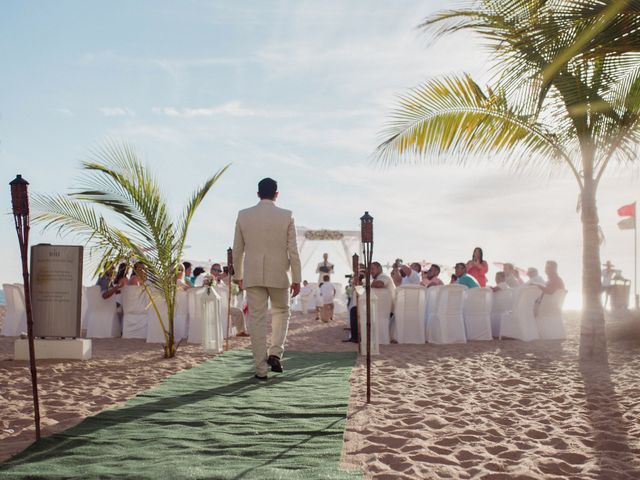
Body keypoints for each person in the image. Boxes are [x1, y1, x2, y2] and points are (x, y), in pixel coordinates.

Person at [232, 177, 301, 380]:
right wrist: (297, 278)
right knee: (282, 312)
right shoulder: (287, 215)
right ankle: (275, 353)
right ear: (276, 194)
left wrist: (238, 276)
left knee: (257, 320)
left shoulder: (243, 215)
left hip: (252, 274)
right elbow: (293, 251)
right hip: (279, 273)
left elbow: (238, 250)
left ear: (257, 194)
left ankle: (261, 369)